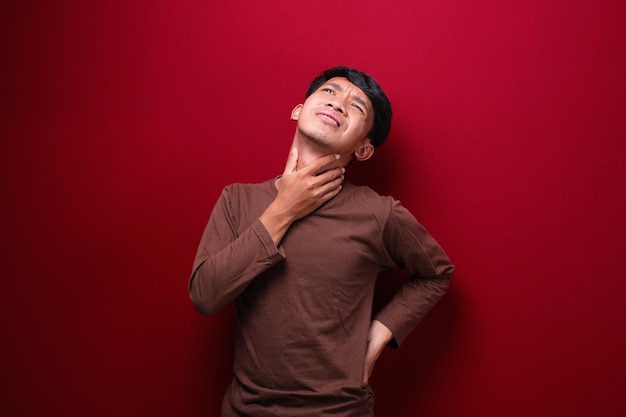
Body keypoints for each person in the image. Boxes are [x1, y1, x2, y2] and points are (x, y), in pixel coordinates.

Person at [189, 66, 454, 417]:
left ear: (363, 149)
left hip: (341, 411)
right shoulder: (237, 201)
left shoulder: (379, 213)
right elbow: (205, 295)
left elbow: (438, 273)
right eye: (330, 91)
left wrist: (380, 334)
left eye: (357, 106)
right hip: (246, 410)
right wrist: (282, 209)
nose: (339, 103)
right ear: (298, 109)